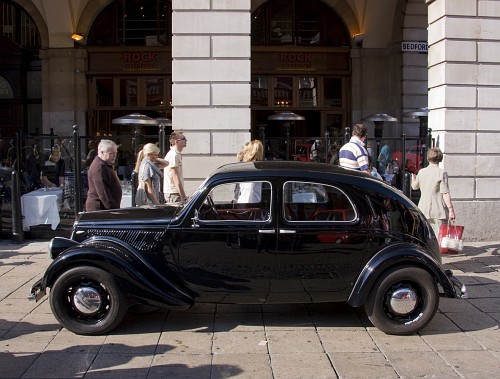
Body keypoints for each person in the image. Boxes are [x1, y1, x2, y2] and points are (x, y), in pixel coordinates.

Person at [411, 147, 455, 235]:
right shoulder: (441, 173)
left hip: (423, 207)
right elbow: (445, 193)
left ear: (428, 158)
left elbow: (414, 187)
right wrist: (451, 210)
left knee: (425, 235)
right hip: (438, 209)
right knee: (438, 236)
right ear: (440, 159)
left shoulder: (421, 172)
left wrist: (413, 179)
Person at [85, 139, 122, 211]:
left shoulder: (105, 165)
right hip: (100, 210)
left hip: (104, 210)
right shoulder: (99, 167)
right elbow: (103, 193)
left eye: (116, 153)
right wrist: (113, 210)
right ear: (102, 152)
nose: (114, 156)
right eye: (111, 153)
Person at [163, 131, 187, 203]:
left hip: (175, 192)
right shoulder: (174, 155)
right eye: (183, 138)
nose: (186, 140)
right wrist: (183, 195)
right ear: (177, 141)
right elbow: (175, 176)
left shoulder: (176, 154)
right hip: (173, 193)